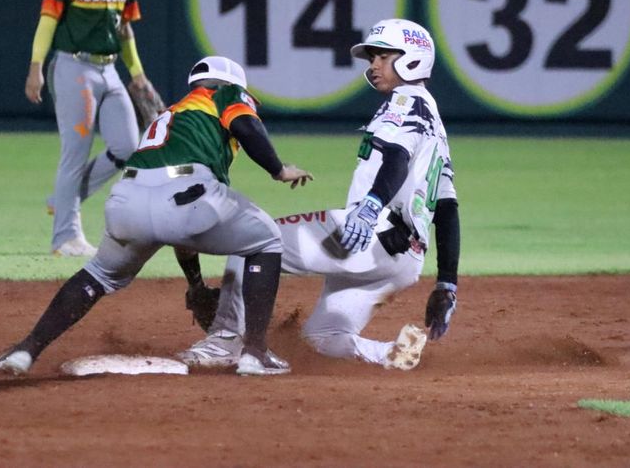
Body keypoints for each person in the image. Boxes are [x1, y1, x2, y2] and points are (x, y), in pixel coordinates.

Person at [0, 56, 313, 376]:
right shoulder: (224, 93)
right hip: (188, 193)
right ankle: (255, 352)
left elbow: (172, 226)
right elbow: (245, 125)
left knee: (98, 275)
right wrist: (278, 169)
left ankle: (25, 349)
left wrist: (196, 285)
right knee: (267, 239)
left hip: (127, 199)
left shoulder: (172, 114)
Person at [177, 19, 460, 370]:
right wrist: (447, 283)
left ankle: (224, 342)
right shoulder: (434, 120)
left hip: (368, 234)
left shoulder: (404, 100)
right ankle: (389, 353)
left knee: (252, 242)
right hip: (405, 261)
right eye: (372, 57)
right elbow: (447, 207)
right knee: (322, 338)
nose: (373, 65)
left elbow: (397, 159)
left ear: (413, 58)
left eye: (383, 56)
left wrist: (371, 207)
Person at [26, 0, 160, 256]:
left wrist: (138, 75)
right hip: (74, 68)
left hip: (110, 68)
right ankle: (64, 237)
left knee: (128, 146)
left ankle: (64, 197)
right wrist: (36, 66)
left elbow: (126, 29)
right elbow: (47, 23)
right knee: (75, 152)